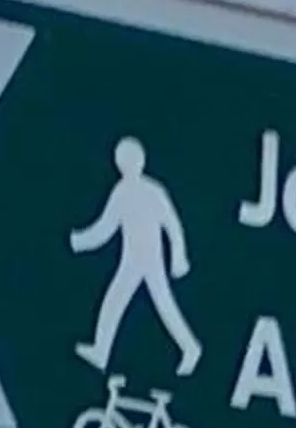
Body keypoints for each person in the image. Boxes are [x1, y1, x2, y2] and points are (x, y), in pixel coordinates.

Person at [68, 137, 201, 377]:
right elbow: (105, 227)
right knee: (116, 301)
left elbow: (172, 225)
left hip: (149, 260)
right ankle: (101, 351)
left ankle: (190, 348)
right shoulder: (122, 191)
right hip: (132, 260)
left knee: (162, 305)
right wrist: (79, 241)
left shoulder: (152, 191)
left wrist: (179, 257)